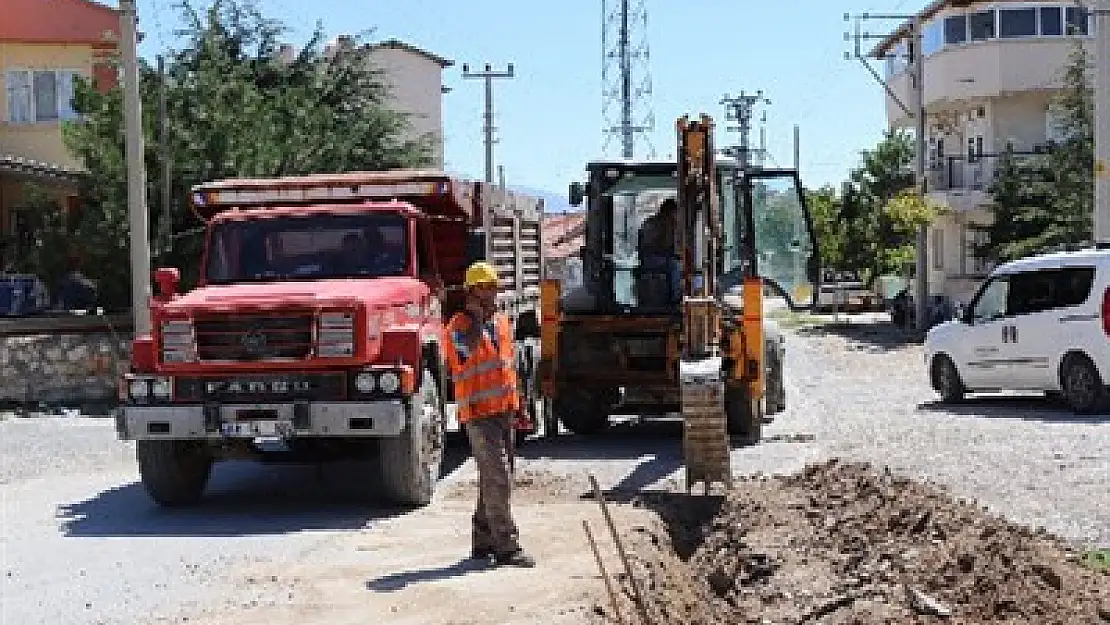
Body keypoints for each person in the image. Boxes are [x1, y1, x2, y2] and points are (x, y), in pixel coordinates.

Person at [442, 261, 535, 568]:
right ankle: (507, 546)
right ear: (473, 292)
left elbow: (507, 366)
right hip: (478, 415)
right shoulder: (458, 327)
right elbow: (463, 354)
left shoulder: (502, 322)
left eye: (495, 287)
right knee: (499, 479)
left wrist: (518, 405)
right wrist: (476, 321)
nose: (494, 293)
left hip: (504, 411)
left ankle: (482, 540)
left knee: (495, 477)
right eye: (487, 288)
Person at [638, 197, 681, 304]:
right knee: (675, 266)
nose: (676, 216)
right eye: (675, 213)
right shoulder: (656, 224)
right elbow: (652, 246)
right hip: (652, 258)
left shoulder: (660, 223)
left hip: (655, 257)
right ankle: (676, 298)